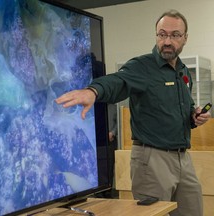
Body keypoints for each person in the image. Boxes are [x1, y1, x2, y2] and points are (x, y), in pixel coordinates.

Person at [55, 10, 211, 216]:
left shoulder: (183, 71)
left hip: (183, 158)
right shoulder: (142, 66)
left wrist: (194, 116)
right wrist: (93, 91)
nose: (167, 40)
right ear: (156, 35)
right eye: (162, 34)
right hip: (153, 159)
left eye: (175, 35)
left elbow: (184, 107)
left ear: (185, 38)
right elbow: (118, 81)